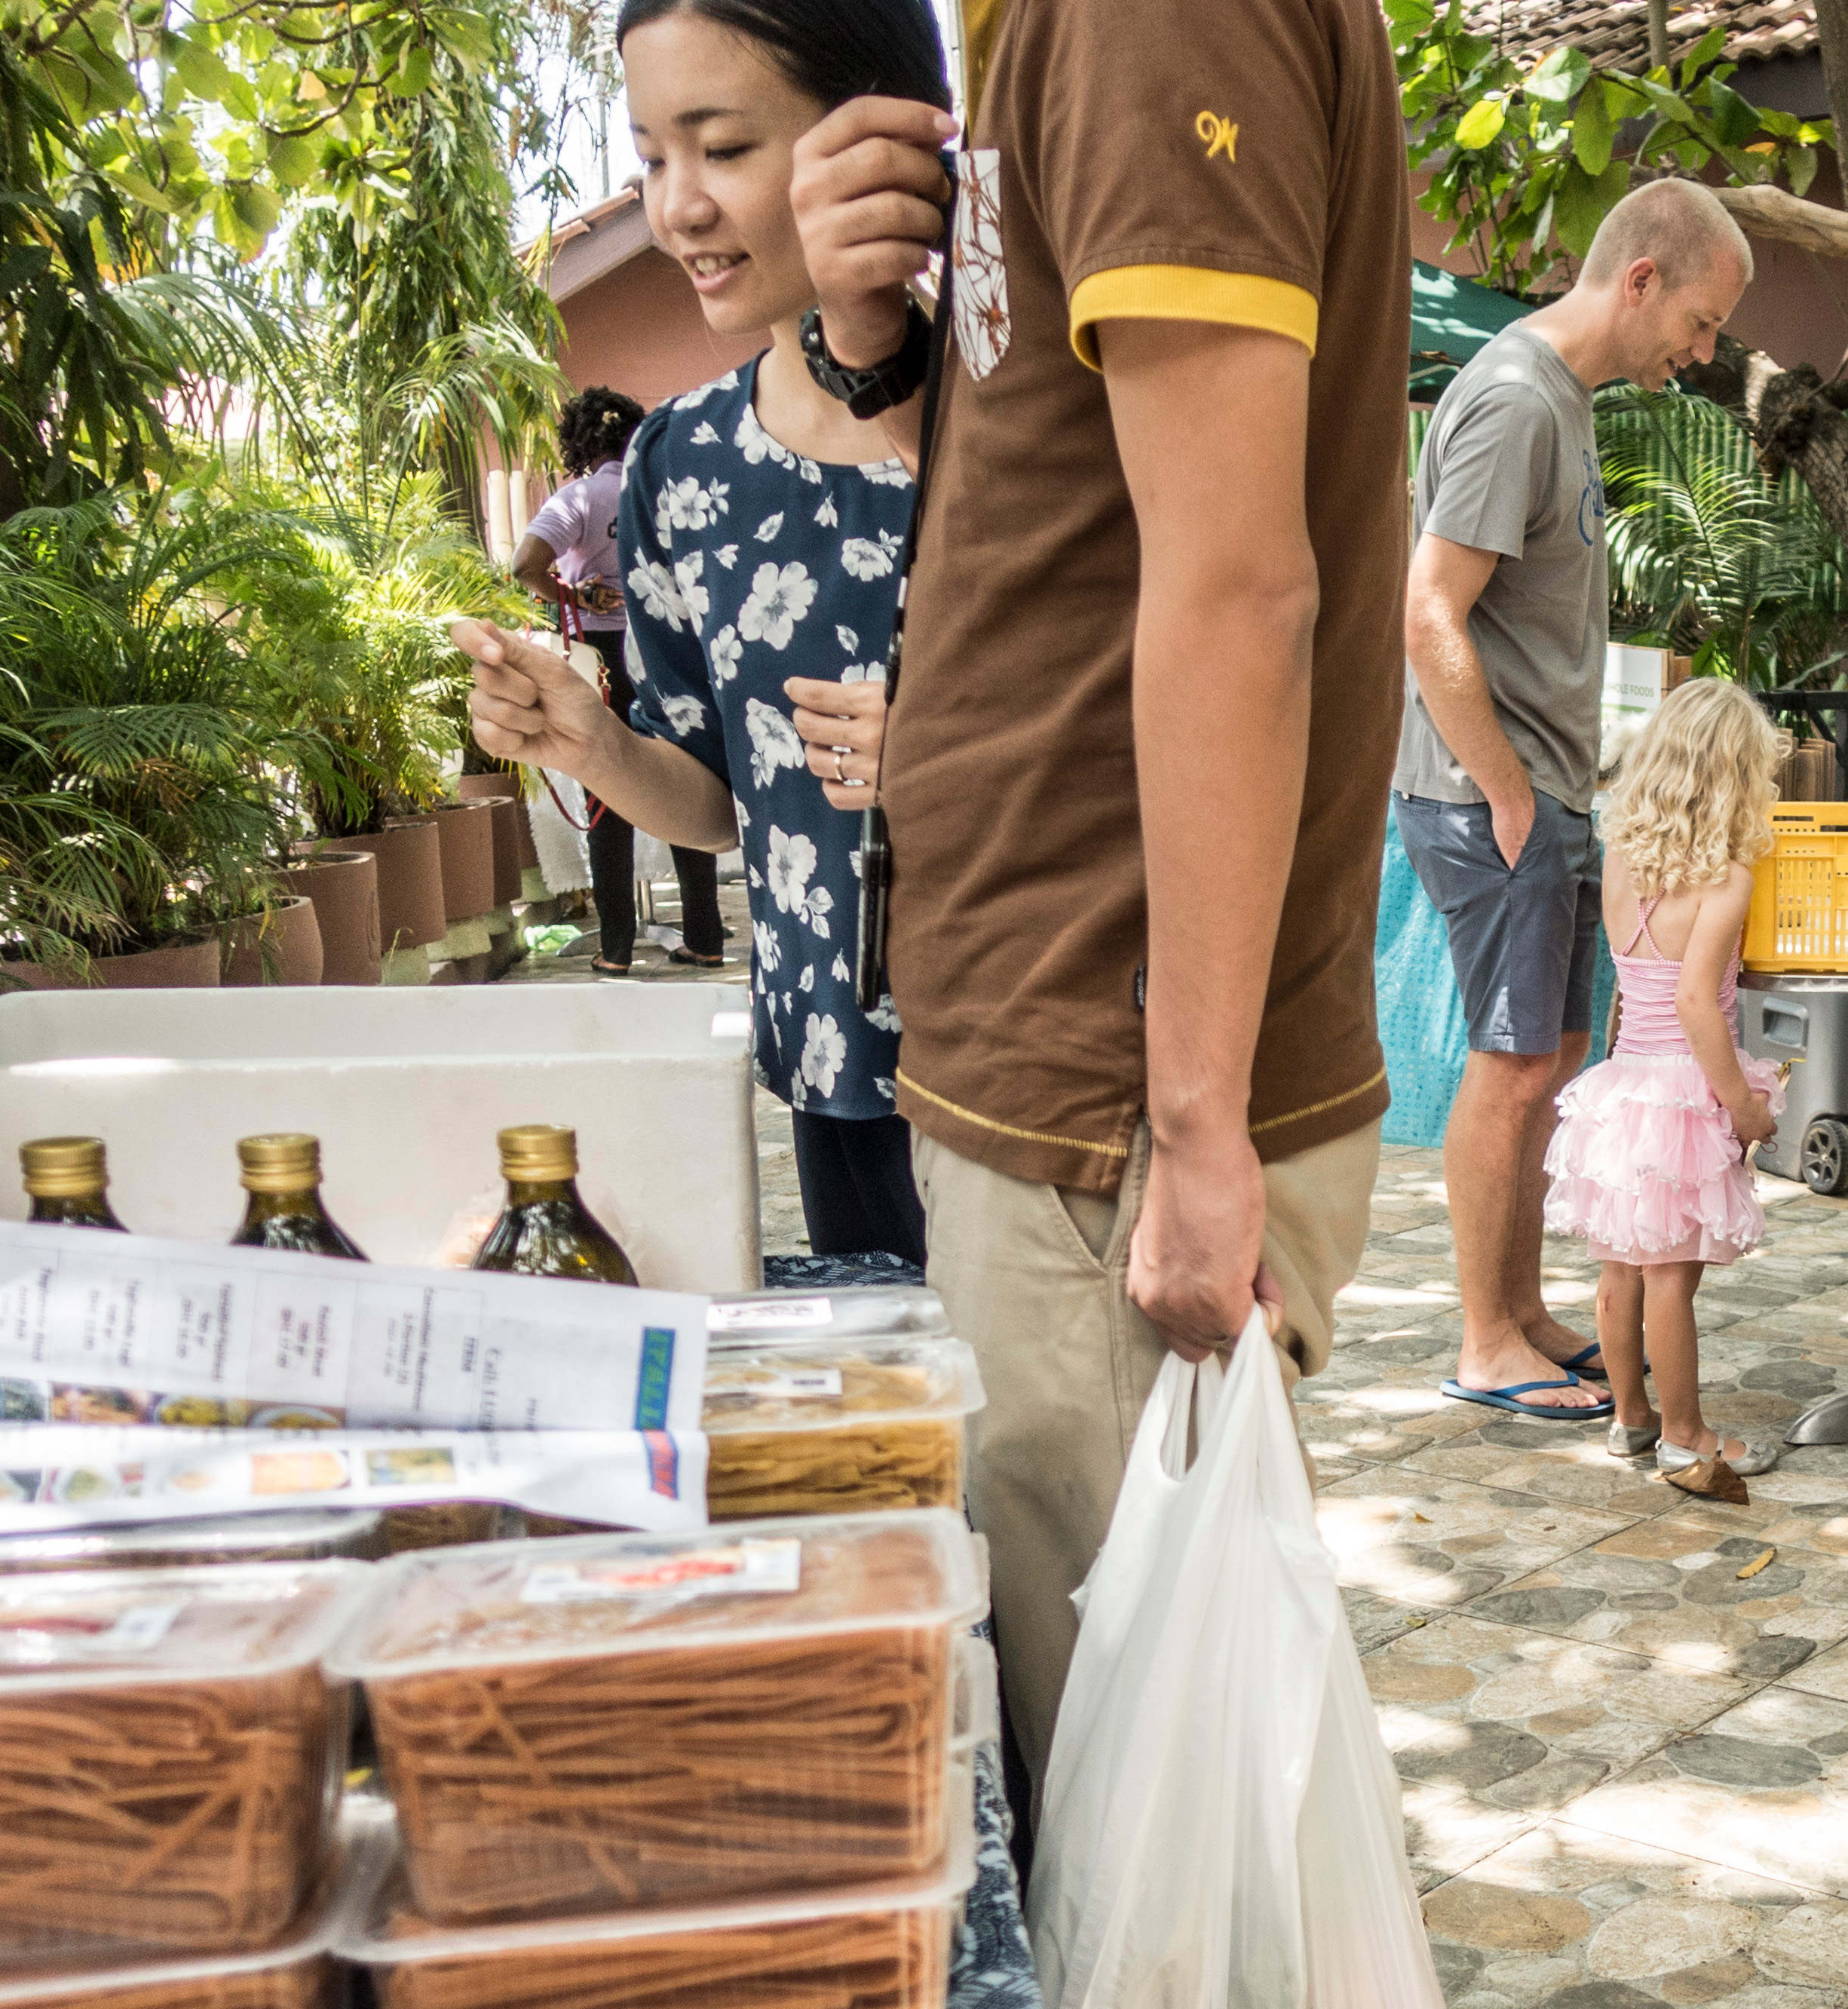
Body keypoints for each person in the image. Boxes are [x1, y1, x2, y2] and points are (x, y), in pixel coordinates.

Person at [779, 0, 1409, 1781]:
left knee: (1131, 1812)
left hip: (1106, 1096)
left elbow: (1233, 589)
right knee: (1113, 1806)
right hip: (1073, 1068)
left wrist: (1194, 1124)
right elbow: (1076, 514)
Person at [452, 0, 933, 1266]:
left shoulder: (1035, 411)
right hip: (836, 1066)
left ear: (880, 141)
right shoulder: (682, 457)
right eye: (653, 157)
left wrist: (962, 750)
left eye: (721, 149)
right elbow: (722, 800)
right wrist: (593, 741)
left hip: (1057, 1065)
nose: (678, 209)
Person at [1400, 179, 1752, 1423]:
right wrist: (1502, 788)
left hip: (1544, 791)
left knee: (1547, 1059)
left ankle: (1528, 1309)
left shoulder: (1560, 400)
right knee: (1506, 1070)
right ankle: (1486, 1336)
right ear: (1642, 278)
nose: (1701, 353)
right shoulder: (1512, 399)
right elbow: (1429, 609)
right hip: (1493, 792)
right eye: (1702, 323)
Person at [1545, 677, 1786, 1488]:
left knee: (1620, 1269)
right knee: (1671, 1281)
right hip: (1683, 1095)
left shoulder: (1621, 859)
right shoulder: (1727, 881)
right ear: (1738, 776)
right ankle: (1689, 1435)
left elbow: (1636, 988)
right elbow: (1696, 1004)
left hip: (1621, 1090)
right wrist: (1743, 1106)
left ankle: (1631, 1419)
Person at [508, 387, 728, 976]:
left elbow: (523, 566)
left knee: (608, 799)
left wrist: (573, 593)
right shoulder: (657, 493)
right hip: (664, 654)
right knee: (689, 780)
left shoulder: (575, 499)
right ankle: (705, 936)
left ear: (580, 442)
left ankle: (616, 948)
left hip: (600, 660)